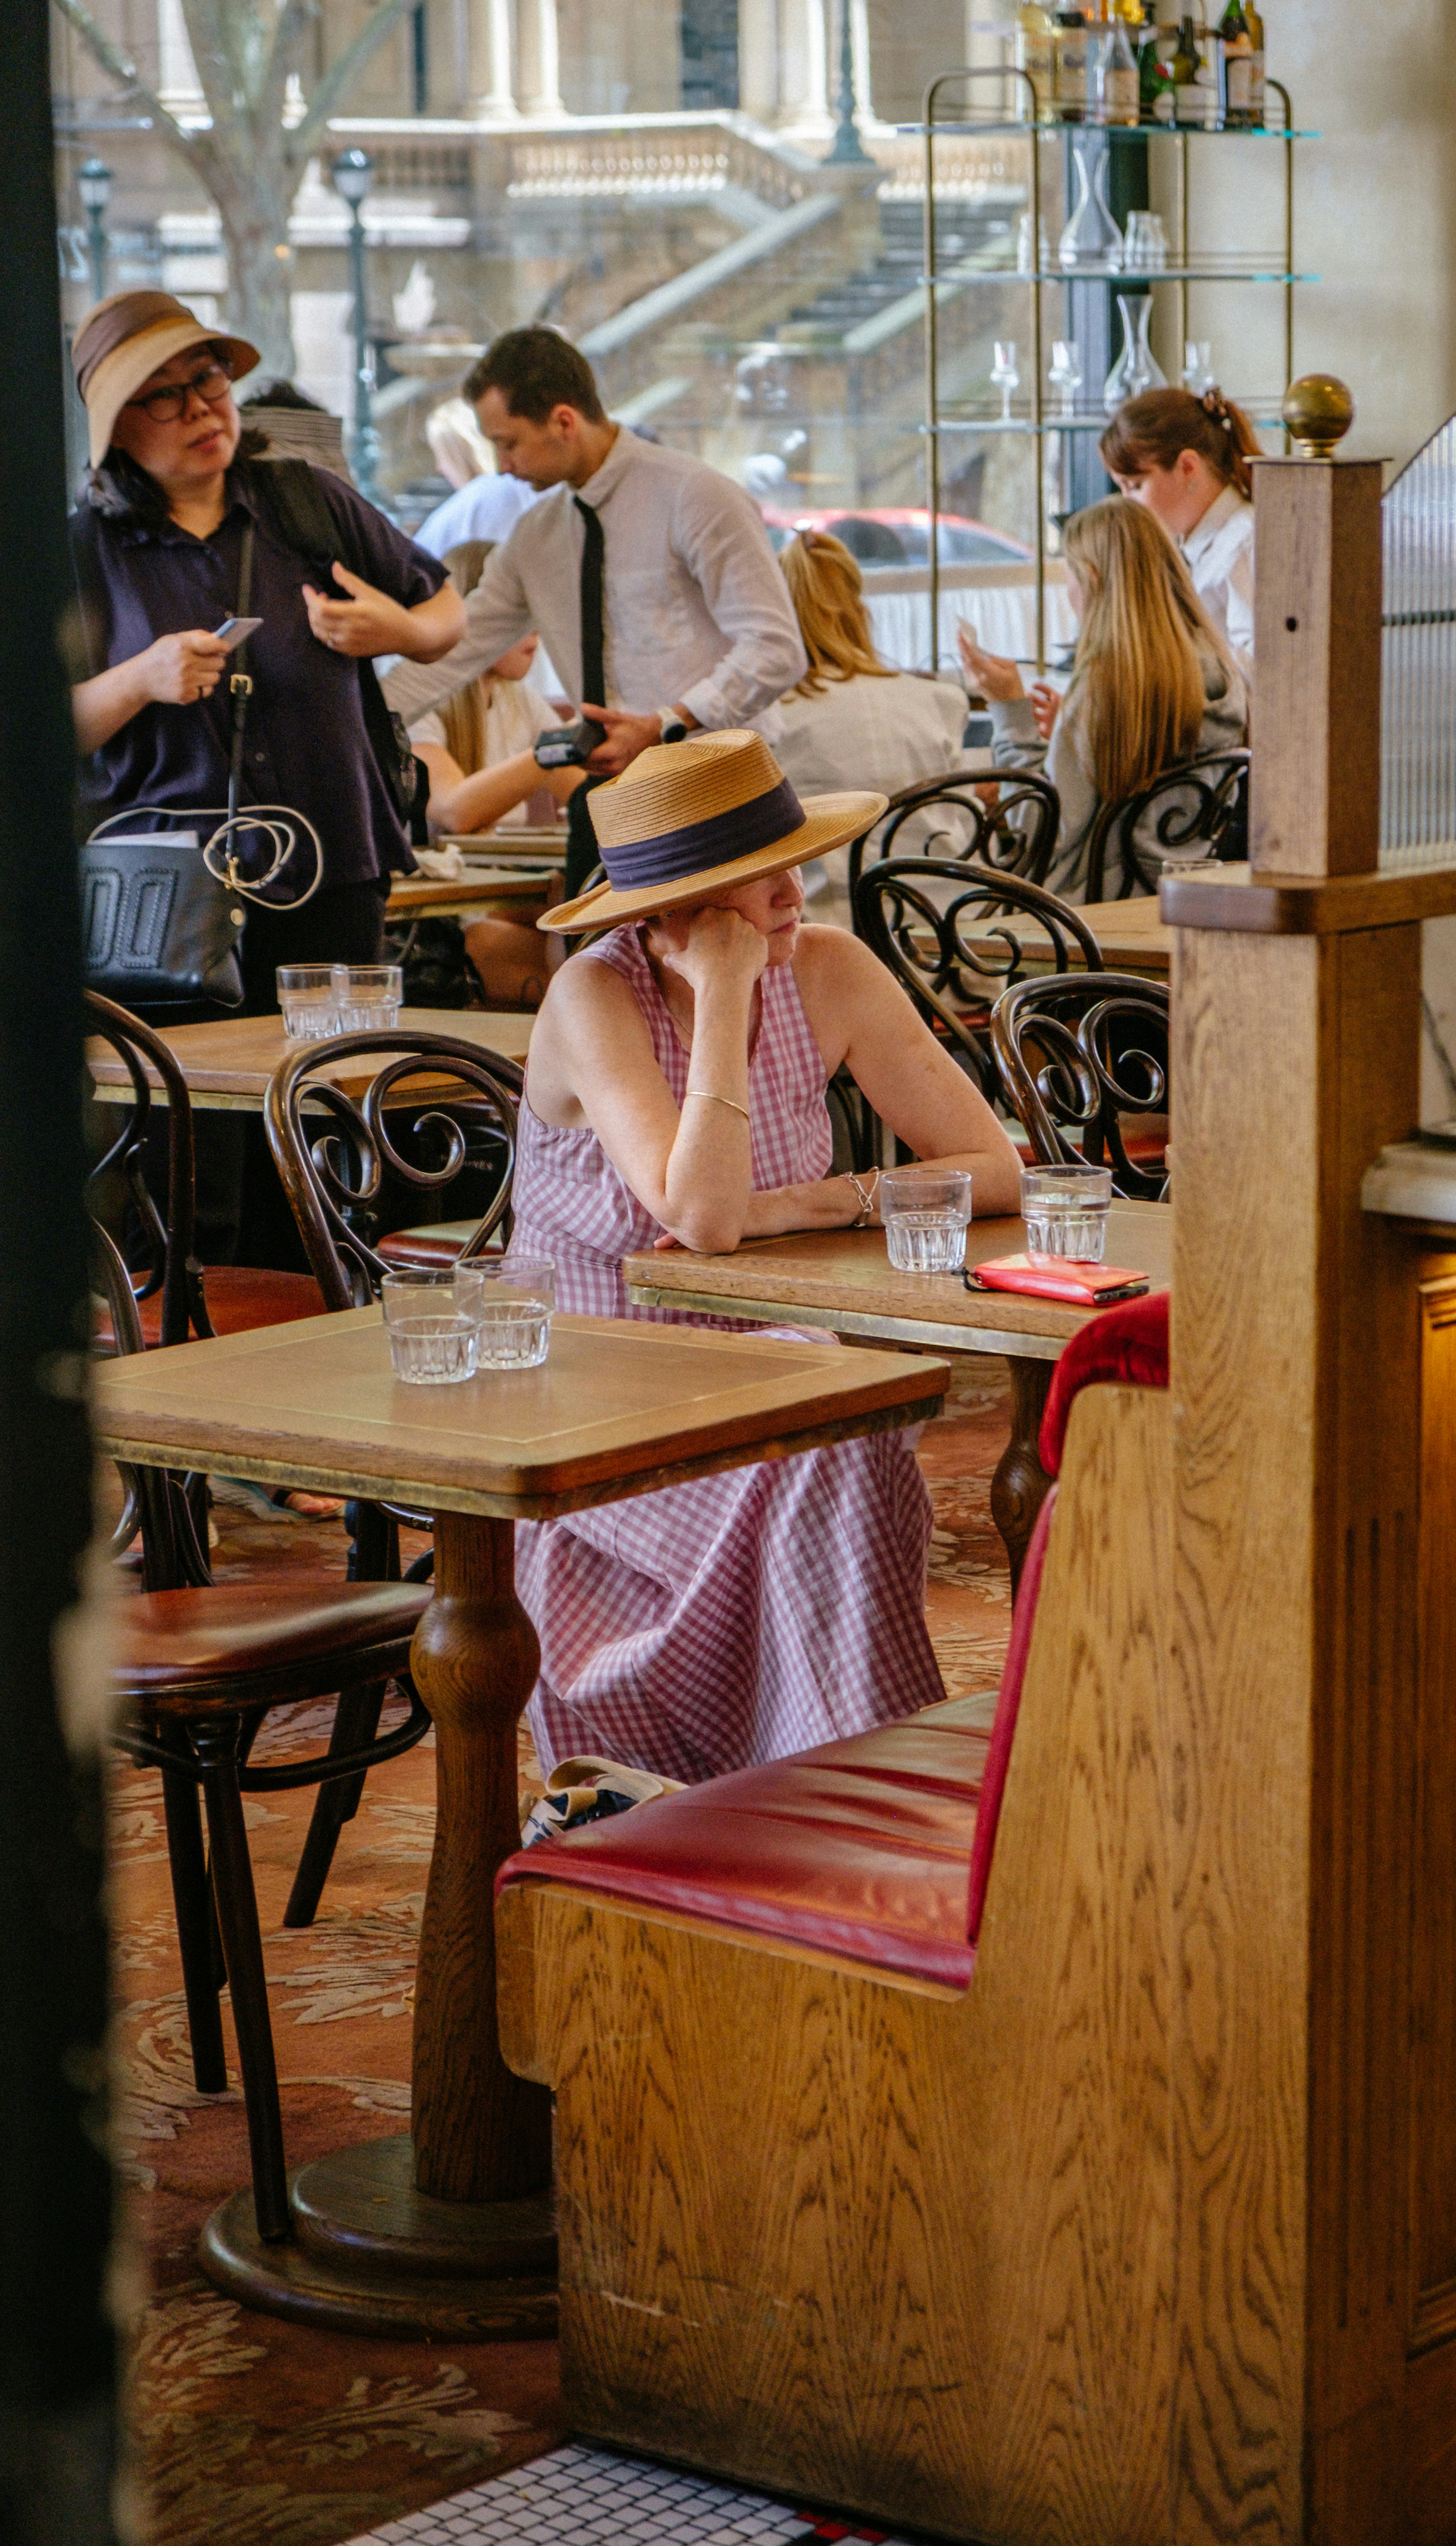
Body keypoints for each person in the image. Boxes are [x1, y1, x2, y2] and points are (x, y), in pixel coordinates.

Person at [511, 727, 1022, 1783]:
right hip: (596, 1398)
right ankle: (855, 1785)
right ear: (670, 919)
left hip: (768, 1365)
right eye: (753, 882)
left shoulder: (833, 971)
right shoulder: (595, 998)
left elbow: (994, 1166)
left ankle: (838, 1782)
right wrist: (729, 991)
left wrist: (807, 1207)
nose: (794, 893)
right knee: (836, 1429)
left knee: (850, 1415)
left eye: (790, 861)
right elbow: (702, 1215)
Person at [68, 290, 464, 1275]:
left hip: (332, 856)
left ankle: (322, 1316)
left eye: (208, 382)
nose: (205, 410)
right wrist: (141, 678)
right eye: (166, 399)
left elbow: (444, 609)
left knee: (327, 1107)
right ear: (118, 430)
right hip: (165, 893)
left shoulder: (303, 502)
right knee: (184, 1136)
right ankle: (196, 1344)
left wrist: (394, 634)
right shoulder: (87, 548)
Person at [381, 327, 806, 896]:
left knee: (727, 976)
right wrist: (355, 719)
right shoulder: (537, 537)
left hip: (721, 786)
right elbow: (456, 650)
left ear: (563, 420)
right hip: (610, 798)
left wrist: (665, 724)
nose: (503, 467)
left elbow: (777, 650)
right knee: (590, 976)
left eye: (509, 443)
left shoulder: (696, 496)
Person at [959, 495, 1247, 900]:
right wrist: (1072, 729)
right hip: (1183, 902)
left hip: (1087, 919)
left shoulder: (1104, 682)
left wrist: (1009, 709)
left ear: (1091, 579)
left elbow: (1040, 832)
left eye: (1069, 579)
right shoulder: (1219, 669)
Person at [406, 541, 583, 1007]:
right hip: (438, 928)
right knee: (594, 963)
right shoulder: (418, 701)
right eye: (517, 614)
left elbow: (588, 798)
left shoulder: (516, 698)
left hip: (499, 899)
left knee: (588, 917)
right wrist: (561, 746)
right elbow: (453, 810)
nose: (536, 632)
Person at [773, 528, 970, 916]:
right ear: (860, 611)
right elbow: (961, 827)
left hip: (835, 939)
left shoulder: (771, 720)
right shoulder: (939, 702)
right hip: (954, 933)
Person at [1099, 384, 1261, 670]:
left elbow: (1258, 669)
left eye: (1136, 486)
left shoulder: (1243, 543)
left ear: (1188, 467)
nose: (1128, 502)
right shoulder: (1187, 546)